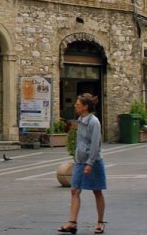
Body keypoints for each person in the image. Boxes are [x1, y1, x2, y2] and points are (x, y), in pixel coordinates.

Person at [59, 93, 106, 234]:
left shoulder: (94, 122)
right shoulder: (80, 120)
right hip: (80, 161)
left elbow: (95, 145)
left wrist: (90, 163)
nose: (75, 106)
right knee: (74, 190)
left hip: (93, 161)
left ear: (85, 107)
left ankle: (100, 222)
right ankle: (72, 222)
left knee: (97, 191)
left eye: (78, 105)